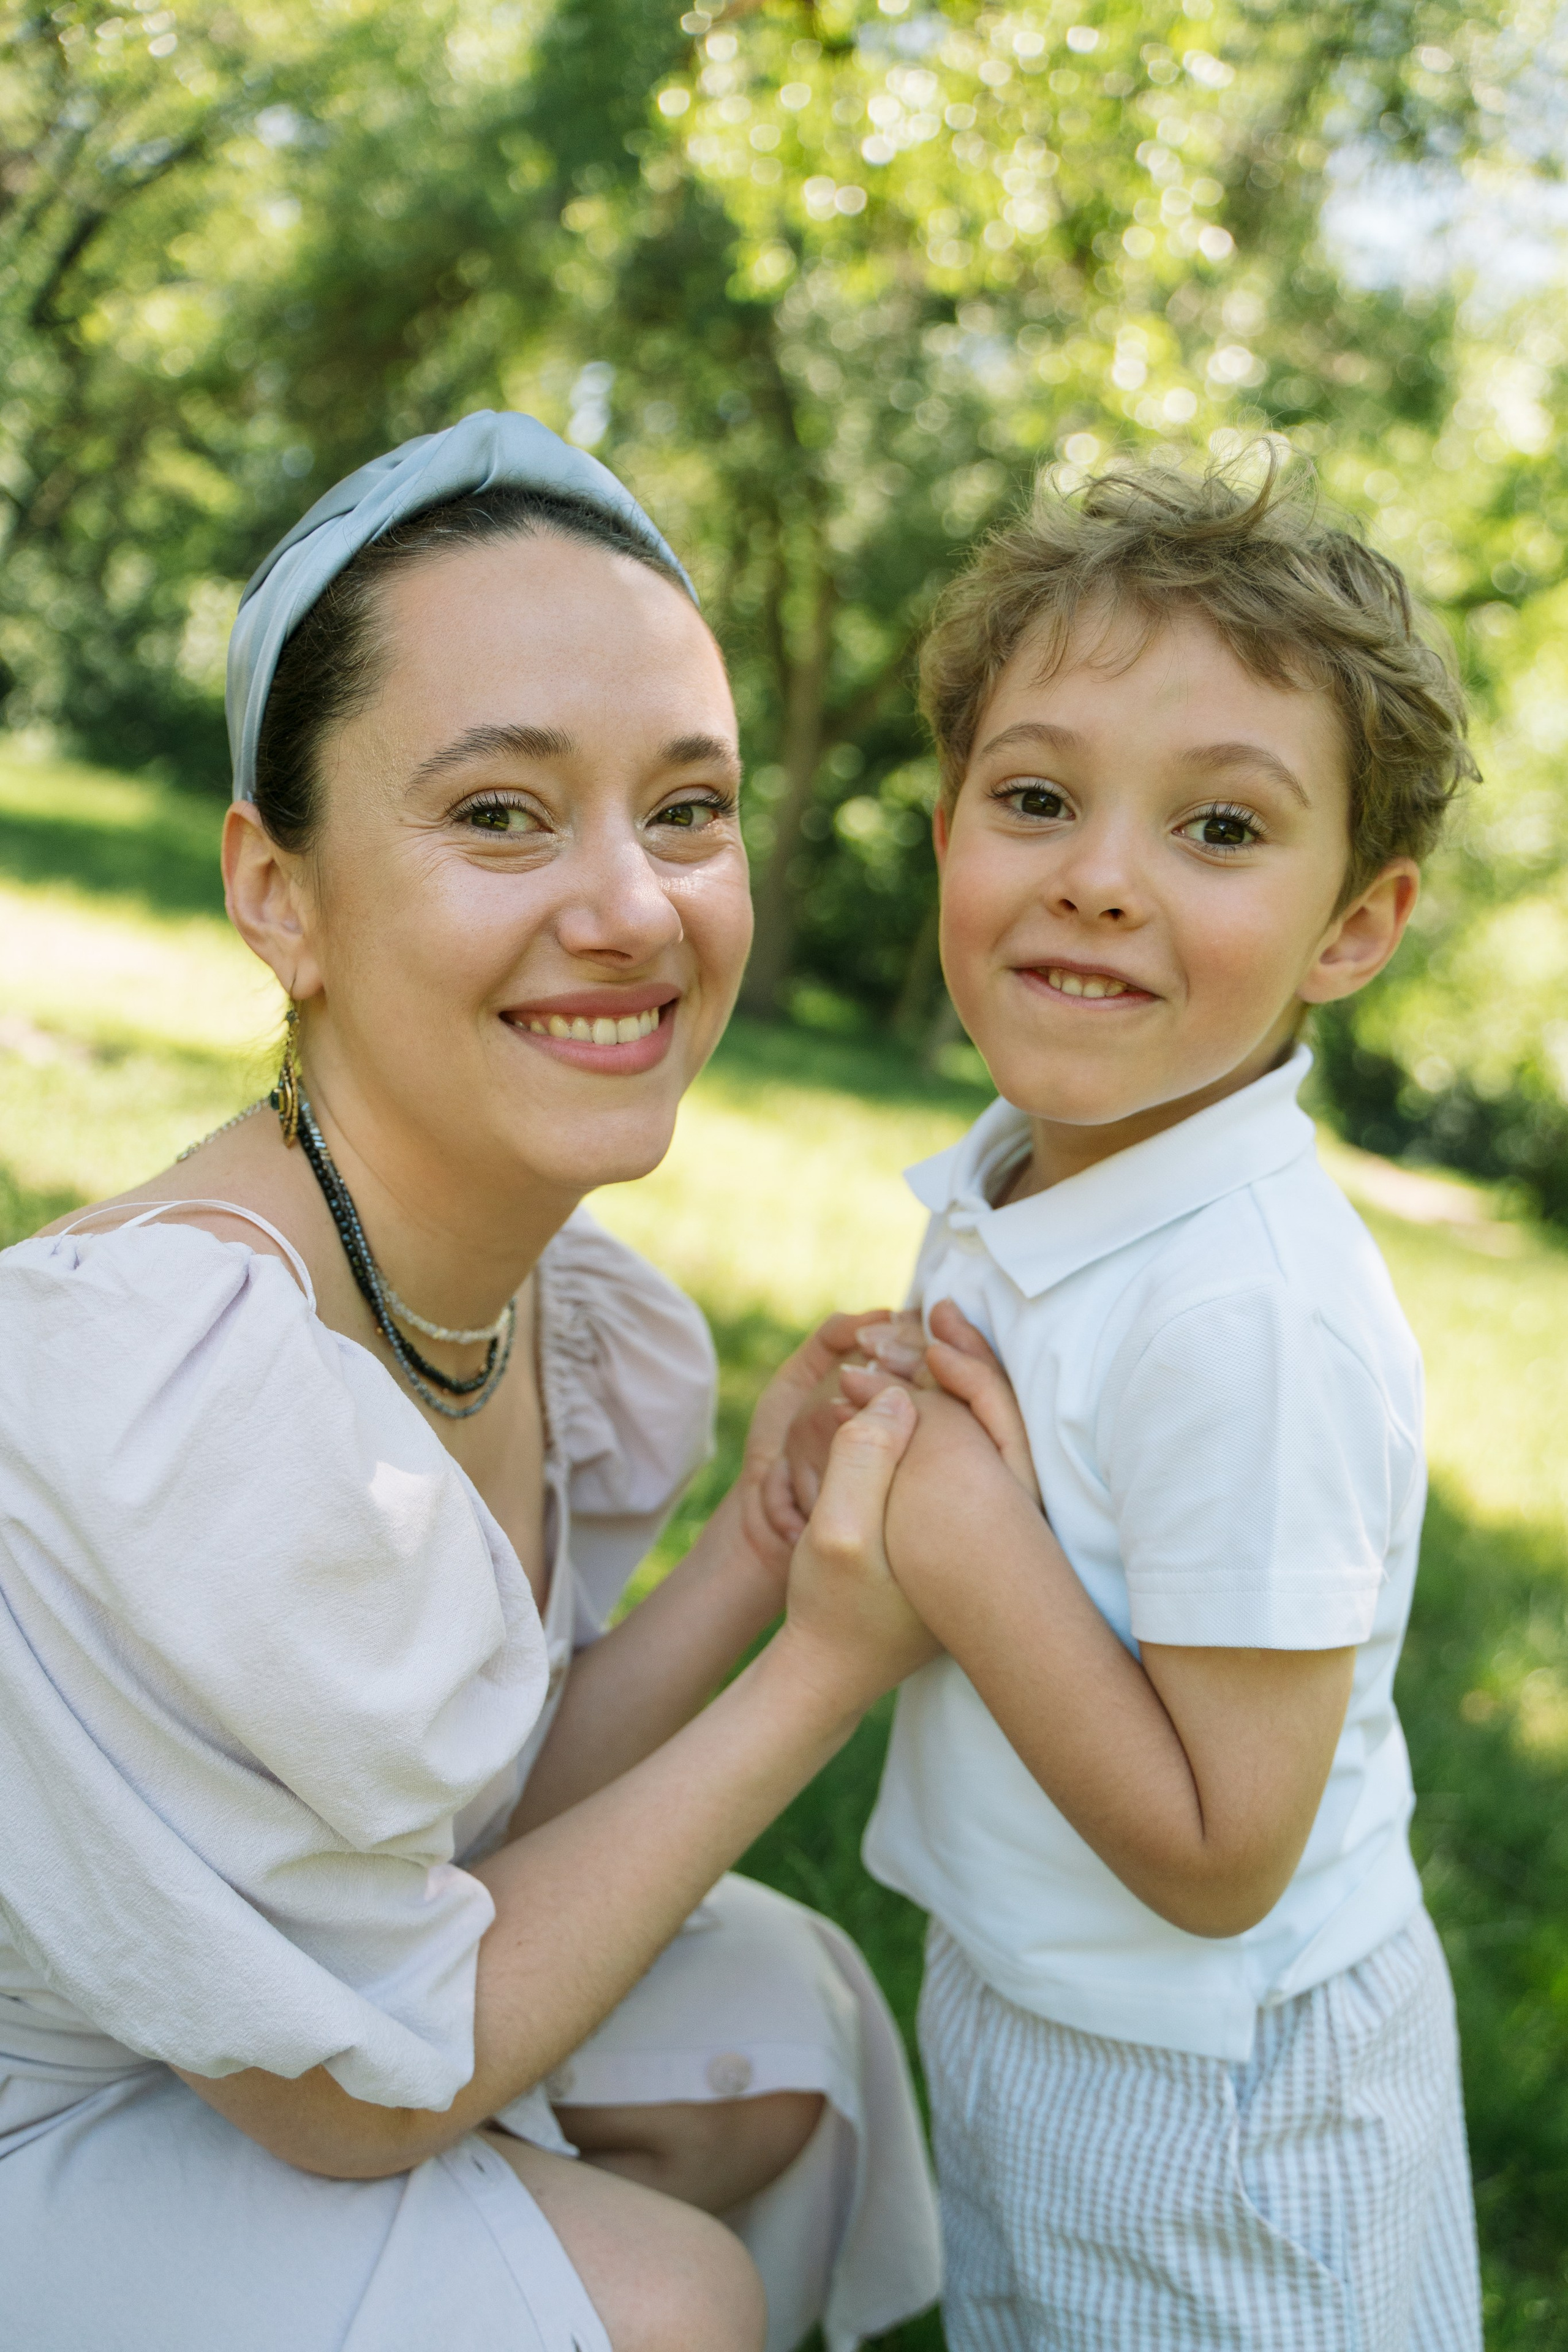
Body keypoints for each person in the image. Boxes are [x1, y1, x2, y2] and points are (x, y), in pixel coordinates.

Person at [0, 411, 943, 2352]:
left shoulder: (539, 1297)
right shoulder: (149, 1401)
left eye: (686, 810)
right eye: (503, 813)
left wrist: (763, 1549)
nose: (634, 905)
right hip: (55, 2106)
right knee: (668, 2303)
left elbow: (457, 1818)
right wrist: (826, 1675)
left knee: (789, 2017)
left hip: (224, 2026)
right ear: (281, 893)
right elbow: (356, 2098)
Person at [781, 458, 1485, 2349]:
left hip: (1220, 2105)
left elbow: (1219, 1852)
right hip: (1032, 1987)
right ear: (947, 835)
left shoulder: (1254, 1317)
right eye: (1036, 799)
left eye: (1222, 830)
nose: (1099, 872)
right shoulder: (1032, 1172)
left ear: (1355, 926)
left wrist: (963, 1534)